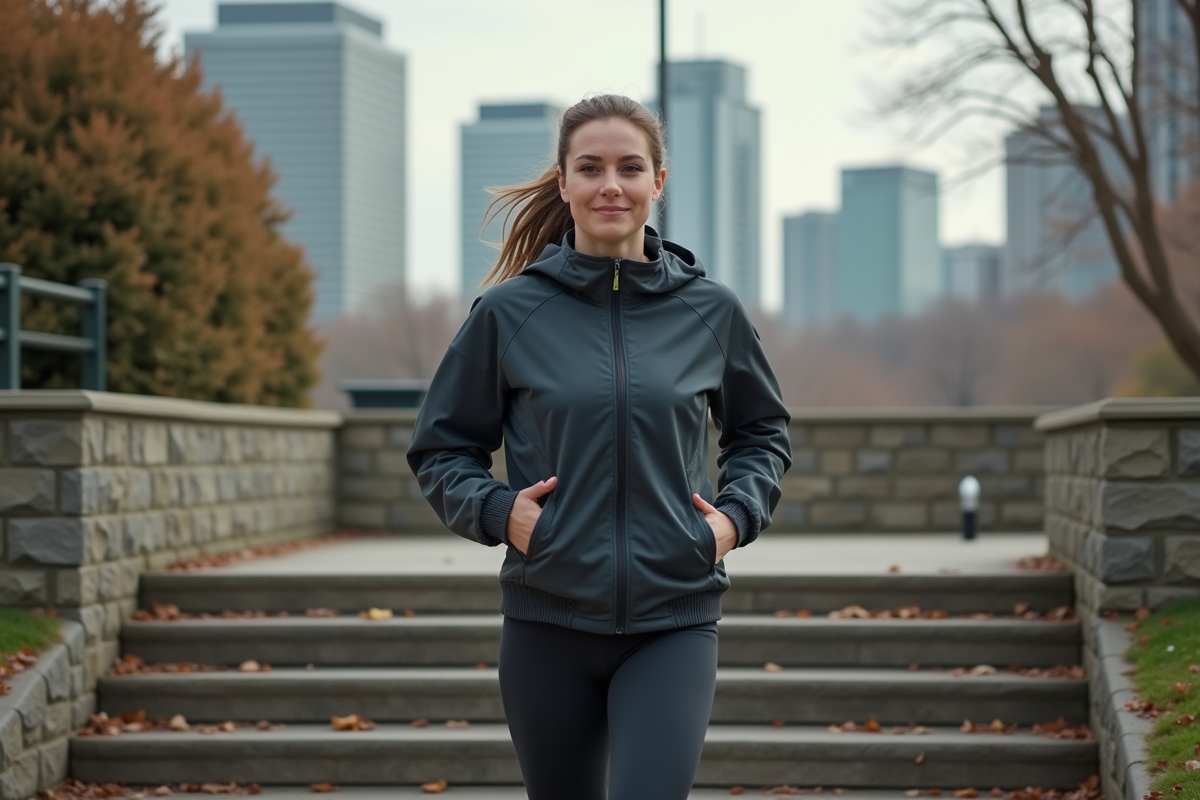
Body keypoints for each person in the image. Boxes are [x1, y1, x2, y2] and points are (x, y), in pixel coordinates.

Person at [406, 94, 792, 800]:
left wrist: (731, 522)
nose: (610, 184)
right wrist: (503, 515)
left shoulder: (711, 312)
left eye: (629, 167)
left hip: (673, 620)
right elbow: (441, 450)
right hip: (546, 622)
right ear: (564, 182)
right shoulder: (509, 313)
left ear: (658, 182)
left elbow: (762, 433)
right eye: (590, 167)